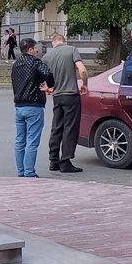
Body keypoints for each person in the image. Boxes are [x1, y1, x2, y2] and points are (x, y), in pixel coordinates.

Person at [44, 35, 89, 173]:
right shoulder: (72, 50)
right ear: (64, 41)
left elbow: (43, 76)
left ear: (53, 43)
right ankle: (66, 161)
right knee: (70, 128)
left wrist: (47, 88)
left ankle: (53, 160)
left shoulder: (47, 56)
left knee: (56, 127)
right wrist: (85, 84)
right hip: (71, 95)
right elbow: (82, 70)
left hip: (57, 96)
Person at [11, 37, 53, 178]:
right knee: (32, 142)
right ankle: (29, 172)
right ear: (30, 49)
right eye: (35, 48)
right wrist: (48, 85)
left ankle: (21, 171)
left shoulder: (16, 64)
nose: (36, 50)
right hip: (34, 106)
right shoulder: (35, 62)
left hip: (19, 107)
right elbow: (48, 74)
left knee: (19, 141)